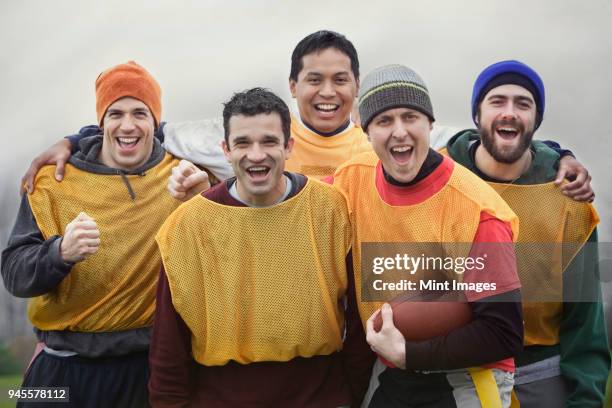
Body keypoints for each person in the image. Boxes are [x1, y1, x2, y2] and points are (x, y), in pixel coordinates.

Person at [20, 31, 593, 203]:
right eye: (313, 80)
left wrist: (560, 155)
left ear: (357, 88)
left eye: (340, 79)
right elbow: (144, 127)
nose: (327, 92)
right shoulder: (254, 143)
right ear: (291, 86)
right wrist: (79, 137)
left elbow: (483, 137)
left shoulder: (386, 140)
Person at [150, 87, 372, 407]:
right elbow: (169, 343)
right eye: (243, 143)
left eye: (269, 141)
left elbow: (358, 317)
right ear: (226, 149)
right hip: (221, 396)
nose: (256, 155)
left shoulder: (332, 210)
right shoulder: (187, 226)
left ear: (289, 146)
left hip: (321, 394)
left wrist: (348, 394)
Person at [332, 64, 524, 407]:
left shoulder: (477, 212)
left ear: (429, 124)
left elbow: (503, 333)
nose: (399, 132)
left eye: (410, 117)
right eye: (384, 121)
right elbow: (296, 207)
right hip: (393, 364)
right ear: (364, 129)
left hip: (470, 373)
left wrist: (410, 354)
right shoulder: (352, 179)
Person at [1, 61, 181, 407]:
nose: (127, 125)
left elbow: (237, 138)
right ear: (101, 122)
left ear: (155, 121)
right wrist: (59, 254)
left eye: (140, 113)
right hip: (57, 365)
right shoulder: (52, 180)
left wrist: (72, 138)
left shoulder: (181, 171)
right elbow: (13, 276)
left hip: (144, 368)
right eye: (115, 113)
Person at [442, 59, 610, 407]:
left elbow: (585, 321)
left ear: (536, 120)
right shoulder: (441, 179)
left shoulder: (569, 197)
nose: (510, 112)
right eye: (497, 101)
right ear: (477, 115)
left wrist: (586, 398)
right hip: (456, 370)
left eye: (523, 103)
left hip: (541, 373)